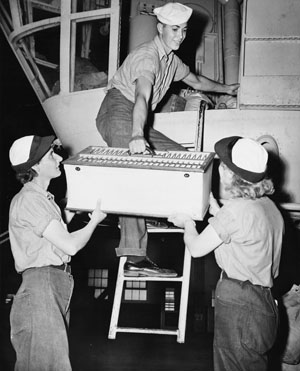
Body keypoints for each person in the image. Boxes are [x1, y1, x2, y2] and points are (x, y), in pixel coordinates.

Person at [95, 2, 239, 277]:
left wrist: (226, 89)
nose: (180, 36)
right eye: (174, 29)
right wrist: (137, 135)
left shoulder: (171, 61)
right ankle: (135, 259)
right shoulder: (148, 57)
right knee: (136, 171)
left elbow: (195, 81)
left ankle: (163, 212)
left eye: (184, 30)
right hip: (118, 111)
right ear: (160, 28)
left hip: (135, 116)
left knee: (187, 161)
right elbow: (142, 97)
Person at [168, 136, 284, 371]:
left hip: (240, 306)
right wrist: (216, 210)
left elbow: (196, 248)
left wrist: (187, 224)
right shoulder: (269, 208)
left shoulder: (236, 212)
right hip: (265, 306)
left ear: (228, 174)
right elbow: (242, 237)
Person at [8, 135, 107, 371]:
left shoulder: (44, 201)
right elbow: (70, 246)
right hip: (42, 285)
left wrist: (70, 212)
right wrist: (94, 222)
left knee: (46, 363)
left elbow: (54, 235)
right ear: (34, 166)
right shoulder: (30, 199)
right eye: (51, 154)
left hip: (54, 284)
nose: (59, 157)